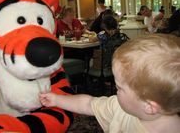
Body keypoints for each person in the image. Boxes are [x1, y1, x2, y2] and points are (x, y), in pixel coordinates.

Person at [40, 34, 180, 133]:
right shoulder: (119, 107)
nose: (115, 91)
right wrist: (56, 99)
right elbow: (88, 104)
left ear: (149, 106)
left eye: (119, 87)